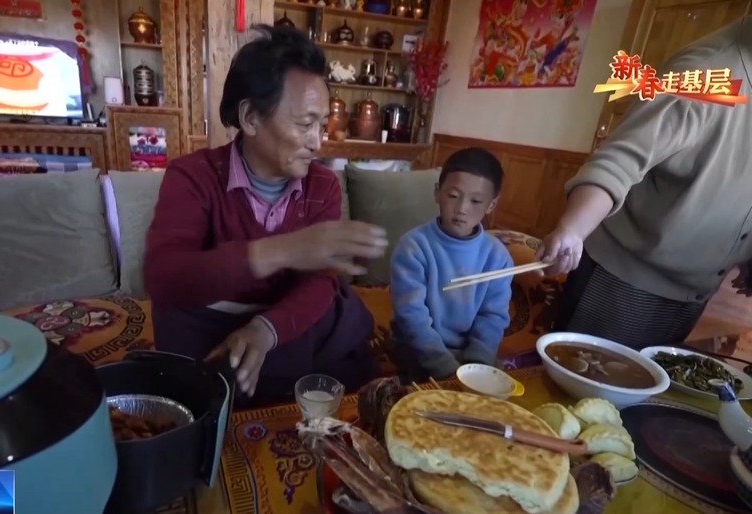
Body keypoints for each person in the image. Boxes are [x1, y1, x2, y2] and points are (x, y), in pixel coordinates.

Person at [143, 24, 388, 406]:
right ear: (251, 117)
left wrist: (265, 329)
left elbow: (319, 281)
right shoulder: (193, 176)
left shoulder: (322, 185)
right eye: (305, 124)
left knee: (337, 316)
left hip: (284, 321)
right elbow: (164, 278)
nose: (318, 142)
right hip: (209, 319)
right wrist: (285, 250)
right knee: (200, 381)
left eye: (322, 124)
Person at [536, 0, 752, 348]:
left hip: (696, 291)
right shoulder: (708, 68)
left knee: (648, 377)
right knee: (582, 376)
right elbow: (620, 160)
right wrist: (572, 230)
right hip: (624, 282)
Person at [389, 148, 513, 380]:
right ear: (437, 192)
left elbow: (492, 317)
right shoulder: (413, 246)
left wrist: (477, 366)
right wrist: (447, 370)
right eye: (454, 196)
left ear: (491, 205)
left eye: (476, 201)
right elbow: (411, 315)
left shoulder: (497, 256)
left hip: (470, 357)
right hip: (418, 350)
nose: (462, 208)